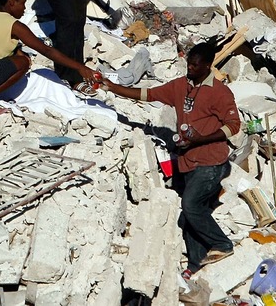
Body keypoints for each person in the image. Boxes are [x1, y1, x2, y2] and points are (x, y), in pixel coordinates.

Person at [99, 40, 239, 278]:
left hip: (210, 162)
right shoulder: (181, 86)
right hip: (188, 161)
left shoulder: (220, 92)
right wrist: (112, 87)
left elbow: (233, 126)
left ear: (207, 65)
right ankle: (196, 263)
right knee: (191, 214)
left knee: (191, 206)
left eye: (195, 65)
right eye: (188, 64)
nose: (190, 69)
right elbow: (149, 94)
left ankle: (223, 244)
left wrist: (201, 139)